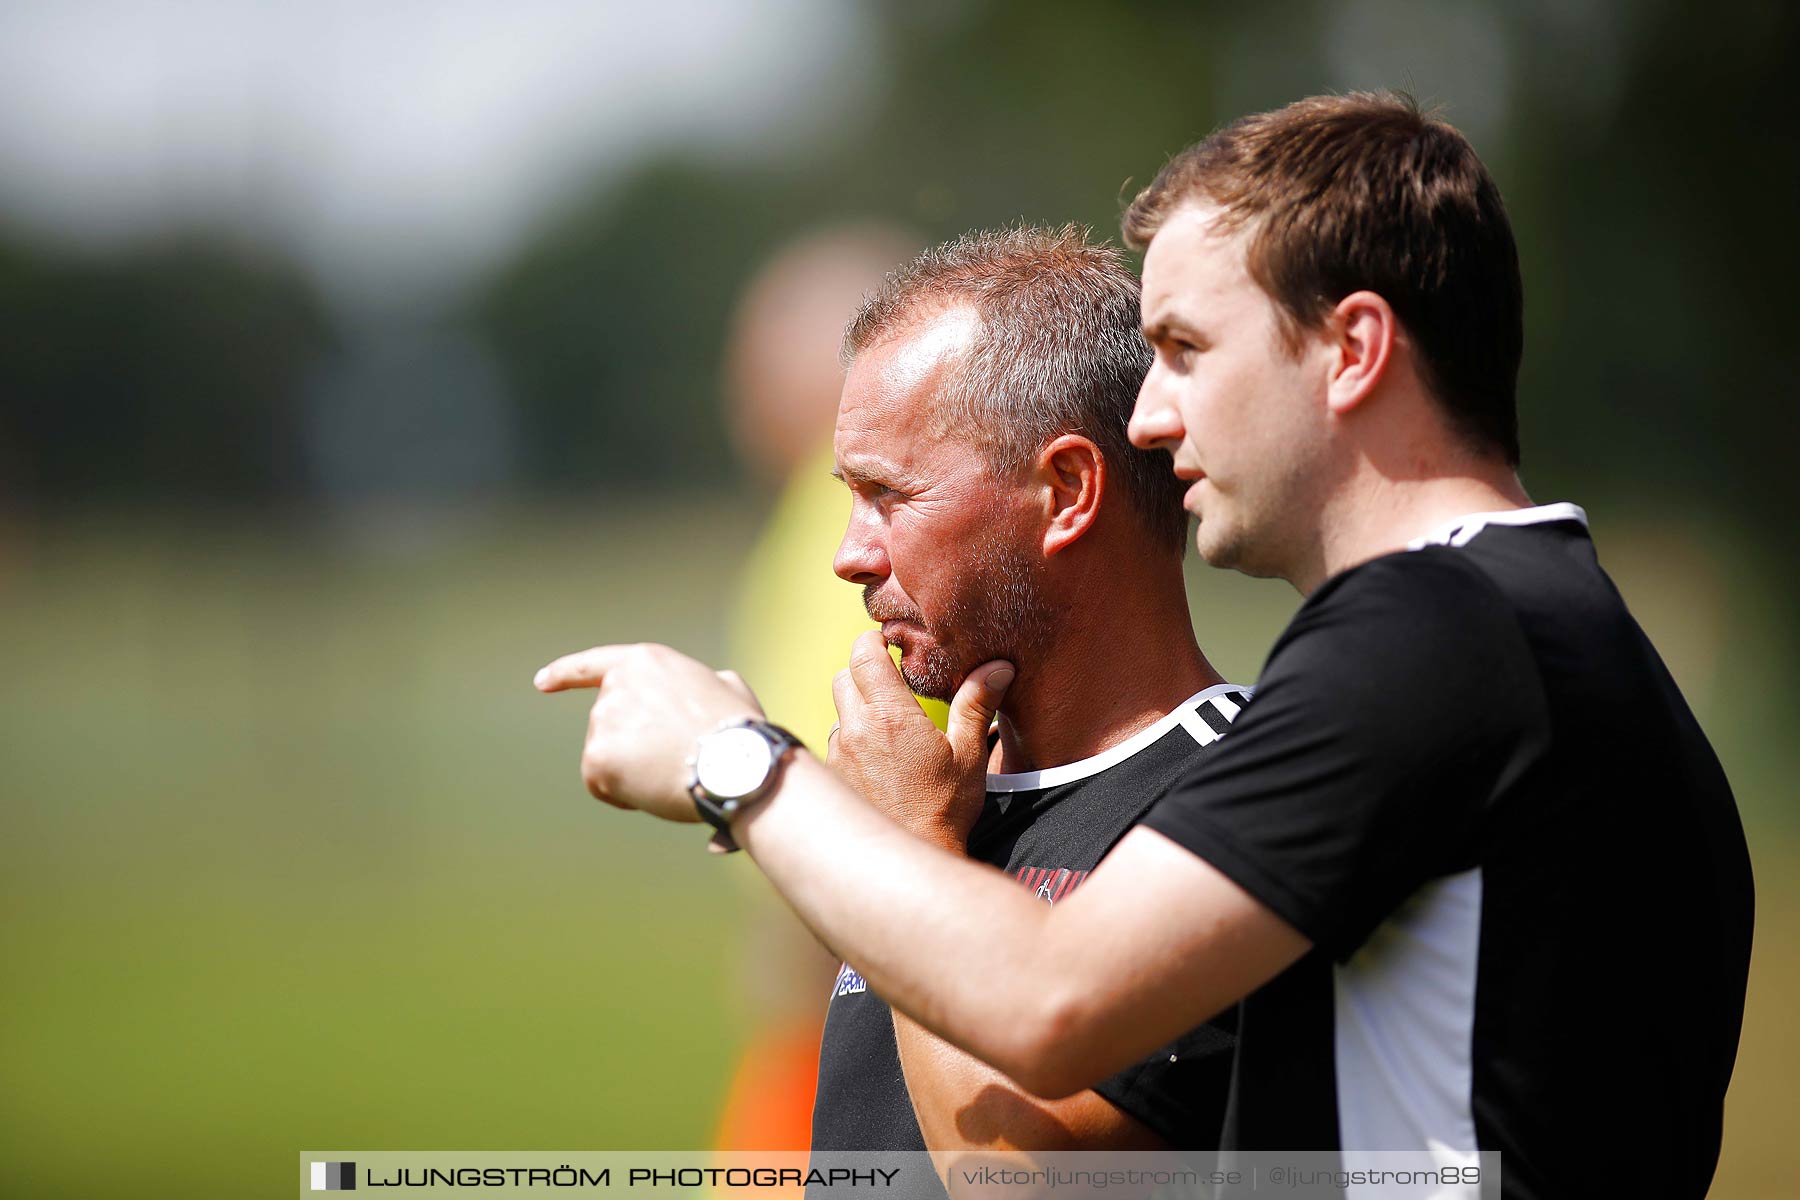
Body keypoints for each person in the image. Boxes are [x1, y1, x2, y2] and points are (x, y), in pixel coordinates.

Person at [536, 93, 1754, 1199]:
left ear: (1356, 348)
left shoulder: (1441, 630)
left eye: (1186, 349)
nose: (1150, 415)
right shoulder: (1550, 625)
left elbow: (1047, 1008)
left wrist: (739, 765)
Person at [808, 225, 1251, 1189]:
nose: (849, 553)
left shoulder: (1248, 793)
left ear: (1066, 491)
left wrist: (905, 859)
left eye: (888, 495)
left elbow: (1023, 1175)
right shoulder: (928, 793)